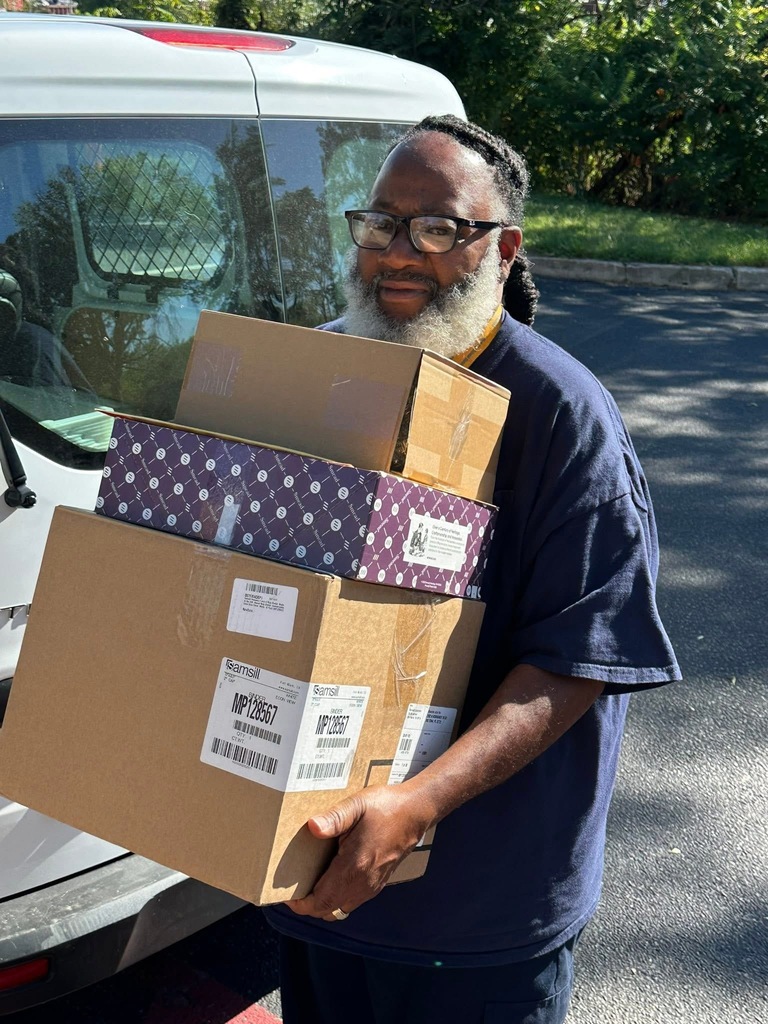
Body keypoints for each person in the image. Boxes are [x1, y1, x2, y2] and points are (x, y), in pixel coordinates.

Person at [263, 114, 680, 1024]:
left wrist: (415, 805)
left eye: (439, 227)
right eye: (382, 222)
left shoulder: (560, 412)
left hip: (479, 915)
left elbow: (577, 660)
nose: (399, 251)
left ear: (503, 247)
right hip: (318, 886)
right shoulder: (325, 371)